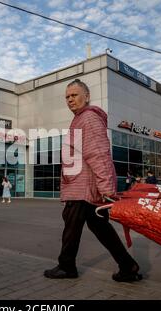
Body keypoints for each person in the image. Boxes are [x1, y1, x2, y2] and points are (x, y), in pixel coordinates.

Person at [44, 79, 141, 282]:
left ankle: (66, 266)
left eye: (74, 95)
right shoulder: (80, 119)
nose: (70, 99)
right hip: (83, 186)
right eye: (67, 97)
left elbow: (98, 154)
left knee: (72, 226)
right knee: (100, 227)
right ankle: (128, 266)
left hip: (83, 188)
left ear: (87, 96)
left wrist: (106, 188)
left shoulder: (88, 119)